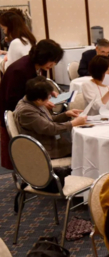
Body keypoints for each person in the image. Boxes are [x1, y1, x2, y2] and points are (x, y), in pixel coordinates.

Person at [0, 39, 63, 169]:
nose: (53, 64)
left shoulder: (38, 65)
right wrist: (41, 103)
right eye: (52, 60)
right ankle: (31, 176)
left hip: (29, 111)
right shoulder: (20, 70)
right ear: (42, 56)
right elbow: (14, 100)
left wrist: (48, 91)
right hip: (15, 113)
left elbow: (37, 84)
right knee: (21, 152)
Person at [14, 76, 86, 159]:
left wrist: (66, 114)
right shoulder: (26, 111)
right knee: (84, 151)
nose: (50, 98)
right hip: (45, 149)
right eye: (48, 97)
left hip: (49, 140)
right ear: (39, 100)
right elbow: (50, 128)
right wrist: (73, 123)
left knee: (82, 146)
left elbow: (48, 119)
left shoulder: (32, 101)